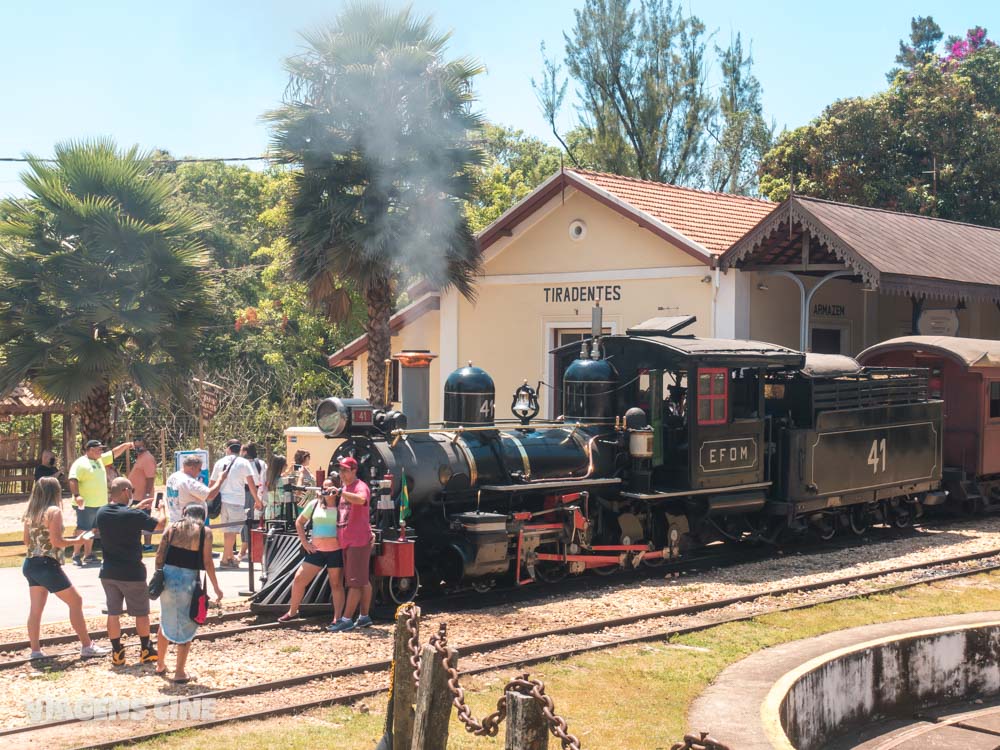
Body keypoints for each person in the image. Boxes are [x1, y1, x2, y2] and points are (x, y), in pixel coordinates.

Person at [21, 476, 110, 660]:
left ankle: (35, 651)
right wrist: (78, 541)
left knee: (35, 609)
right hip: (47, 563)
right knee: (76, 602)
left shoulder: (31, 512)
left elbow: (26, 541)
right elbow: (57, 542)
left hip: (31, 563)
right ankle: (87, 645)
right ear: (55, 492)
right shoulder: (53, 511)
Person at [97, 477, 167, 666]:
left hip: (108, 572)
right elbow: (160, 524)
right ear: (126, 491)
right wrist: (161, 508)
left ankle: (117, 652)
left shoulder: (101, 513)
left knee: (113, 613)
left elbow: (120, 516)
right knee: (141, 613)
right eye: (132, 490)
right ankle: (145, 649)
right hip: (131, 572)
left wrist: (136, 508)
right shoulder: (133, 516)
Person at [154, 504, 223, 683]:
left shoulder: (172, 527)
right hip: (188, 579)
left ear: (184, 513)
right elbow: (208, 562)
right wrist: (216, 587)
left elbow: (159, 554)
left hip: (168, 576)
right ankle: (179, 672)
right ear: (203, 516)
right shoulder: (204, 532)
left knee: (165, 619)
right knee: (186, 622)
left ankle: (160, 664)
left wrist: (159, 575)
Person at [276, 476, 345, 626]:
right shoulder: (314, 504)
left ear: (336, 489)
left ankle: (337, 617)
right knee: (299, 578)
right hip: (317, 551)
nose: (326, 491)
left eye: (330, 487)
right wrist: (305, 542)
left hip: (336, 551)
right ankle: (292, 612)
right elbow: (299, 522)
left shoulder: (343, 507)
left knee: (336, 584)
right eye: (324, 488)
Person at [68, 439, 134, 566]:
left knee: (92, 530)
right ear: (91, 450)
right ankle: (76, 555)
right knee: (82, 528)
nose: (101, 451)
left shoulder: (99, 460)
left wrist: (126, 445)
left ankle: (88, 555)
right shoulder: (80, 463)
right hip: (85, 504)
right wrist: (77, 495)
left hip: (99, 503)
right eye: (99, 449)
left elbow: (113, 453)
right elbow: (73, 479)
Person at [328, 457, 374, 632]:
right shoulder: (345, 487)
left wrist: (340, 492)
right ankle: (363, 616)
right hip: (348, 541)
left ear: (354, 470)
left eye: (346, 470)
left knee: (354, 583)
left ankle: (346, 620)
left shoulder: (360, 487)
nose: (342, 474)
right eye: (341, 471)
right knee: (362, 580)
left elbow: (361, 500)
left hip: (358, 540)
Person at [209, 440, 261, 568]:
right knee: (232, 531)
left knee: (228, 531)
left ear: (228, 449)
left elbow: (212, 483)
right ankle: (225, 560)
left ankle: (229, 557)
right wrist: (257, 501)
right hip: (236, 500)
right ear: (240, 449)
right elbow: (251, 484)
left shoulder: (219, 462)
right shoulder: (243, 463)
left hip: (221, 501)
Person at [164, 455, 228, 524]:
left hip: (174, 522)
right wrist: (220, 479)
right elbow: (210, 495)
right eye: (199, 469)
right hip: (189, 526)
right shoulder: (189, 481)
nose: (200, 472)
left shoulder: (173, 477)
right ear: (192, 468)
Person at [127, 438, 158, 552]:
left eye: (140, 446)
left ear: (145, 445)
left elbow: (150, 478)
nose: (138, 448)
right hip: (135, 496)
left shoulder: (147, 458)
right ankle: (137, 544)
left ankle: (148, 545)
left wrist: (147, 495)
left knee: (145, 520)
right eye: (136, 446)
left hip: (142, 497)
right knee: (136, 521)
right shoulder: (140, 457)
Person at [239, 443, 266, 563]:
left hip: (247, 493)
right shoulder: (261, 463)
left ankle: (245, 550)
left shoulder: (243, 464)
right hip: (259, 492)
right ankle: (254, 549)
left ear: (245, 451)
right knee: (256, 520)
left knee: (247, 521)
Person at [263, 455, 289, 522]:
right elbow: (283, 499)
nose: (287, 465)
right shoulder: (280, 481)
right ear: (281, 466)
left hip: (269, 512)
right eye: (285, 464)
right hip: (279, 513)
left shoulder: (270, 479)